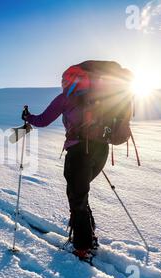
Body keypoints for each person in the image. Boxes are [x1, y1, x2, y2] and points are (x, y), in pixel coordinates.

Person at [22, 88, 109, 260]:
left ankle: (82, 247)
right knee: (80, 193)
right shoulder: (101, 95)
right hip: (101, 150)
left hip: (79, 152)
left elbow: (43, 120)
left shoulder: (67, 98)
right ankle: (88, 237)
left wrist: (27, 117)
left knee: (77, 196)